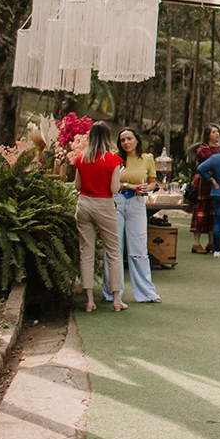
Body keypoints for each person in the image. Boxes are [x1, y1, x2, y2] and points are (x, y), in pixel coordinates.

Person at [73, 121, 126, 313]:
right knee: (112, 252)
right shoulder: (113, 161)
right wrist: (118, 176)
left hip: (84, 204)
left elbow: (77, 186)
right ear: (108, 137)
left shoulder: (81, 159)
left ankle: (89, 300)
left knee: (86, 252)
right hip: (103, 205)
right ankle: (116, 300)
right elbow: (114, 189)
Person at [104, 127, 160, 305]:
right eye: (122, 140)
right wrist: (129, 185)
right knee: (114, 248)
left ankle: (146, 293)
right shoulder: (116, 158)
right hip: (118, 201)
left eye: (129, 139)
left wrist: (146, 188)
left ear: (137, 139)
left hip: (137, 203)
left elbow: (153, 182)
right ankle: (111, 292)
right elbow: (112, 182)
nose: (126, 143)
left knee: (139, 248)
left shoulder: (147, 159)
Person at [189, 124, 220, 254]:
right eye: (214, 132)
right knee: (201, 212)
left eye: (218, 132)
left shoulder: (219, 149)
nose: (217, 134)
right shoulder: (203, 149)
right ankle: (196, 243)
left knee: (213, 212)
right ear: (208, 135)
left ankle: (211, 242)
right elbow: (213, 161)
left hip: (216, 183)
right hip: (203, 184)